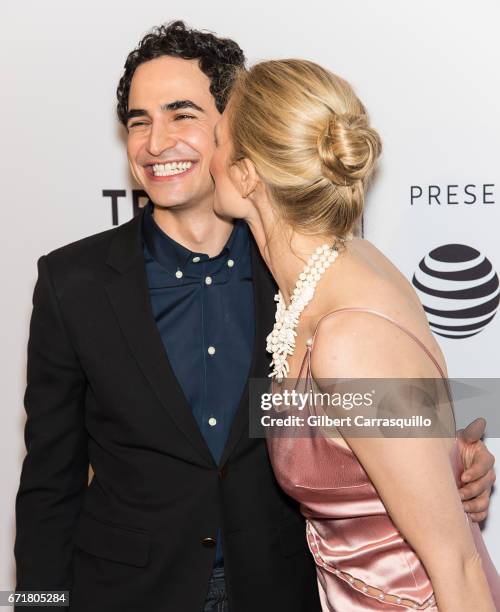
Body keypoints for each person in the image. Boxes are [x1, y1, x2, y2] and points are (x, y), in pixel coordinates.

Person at [13, 22, 495, 612]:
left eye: (181, 114)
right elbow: (48, 482)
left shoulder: (307, 272)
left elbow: (389, 392)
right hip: (126, 593)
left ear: (232, 136)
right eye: (139, 121)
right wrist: (36, 607)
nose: (155, 142)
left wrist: (460, 450)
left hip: (284, 589)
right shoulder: (73, 281)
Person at [209, 58, 500, 610]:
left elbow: (457, 562)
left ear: (248, 174)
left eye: (220, 139)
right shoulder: (337, 268)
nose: (209, 159)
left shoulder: (348, 339)